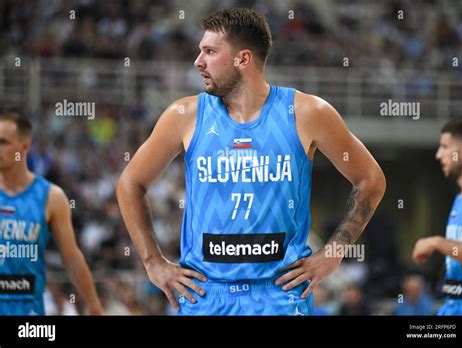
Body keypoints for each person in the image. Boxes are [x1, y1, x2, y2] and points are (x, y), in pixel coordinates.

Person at [117, 8, 386, 315]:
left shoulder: (308, 113)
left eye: (209, 51)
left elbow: (370, 180)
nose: (198, 61)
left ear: (243, 59)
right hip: (204, 295)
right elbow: (130, 183)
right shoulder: (185, 115)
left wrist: (334, 252)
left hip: (279, 295)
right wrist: (153, 262)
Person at [0, 112, 102, 315]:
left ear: (25, 146)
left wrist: (93, 305)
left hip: (27, 310)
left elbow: (71, 257)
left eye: (3, 142)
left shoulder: (51, 197)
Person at [413, 116, 462, 315]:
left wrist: (438, 243)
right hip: (454, 305)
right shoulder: (461, 198)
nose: (439, 155)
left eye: (445, 146)